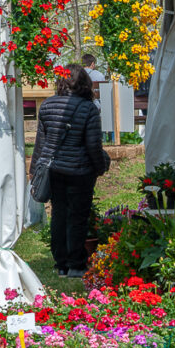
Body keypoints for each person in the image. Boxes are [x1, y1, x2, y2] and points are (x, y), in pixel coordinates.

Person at [30, 64, 106, 278]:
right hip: (79, 171)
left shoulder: (46, 106)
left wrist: (34, 169)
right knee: (77, 217)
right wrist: (100, 167)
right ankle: (76, 264)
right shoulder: (89, 108)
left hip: (53, 170)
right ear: (84, 83)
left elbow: (40, 143)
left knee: (59, 214)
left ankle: (61, 263)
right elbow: (93, 145)